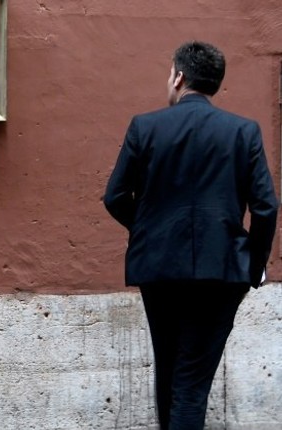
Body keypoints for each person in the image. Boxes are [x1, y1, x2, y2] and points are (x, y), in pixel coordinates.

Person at [103, 41, 278, 430]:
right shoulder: (243, 132)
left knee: (169, 371)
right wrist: (253, 263)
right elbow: (266, 206)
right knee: (192, 381)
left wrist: (150, 231)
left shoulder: (145, 126)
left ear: (179, 77)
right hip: (221, 272)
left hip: (159, 268)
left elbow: (114, 196)